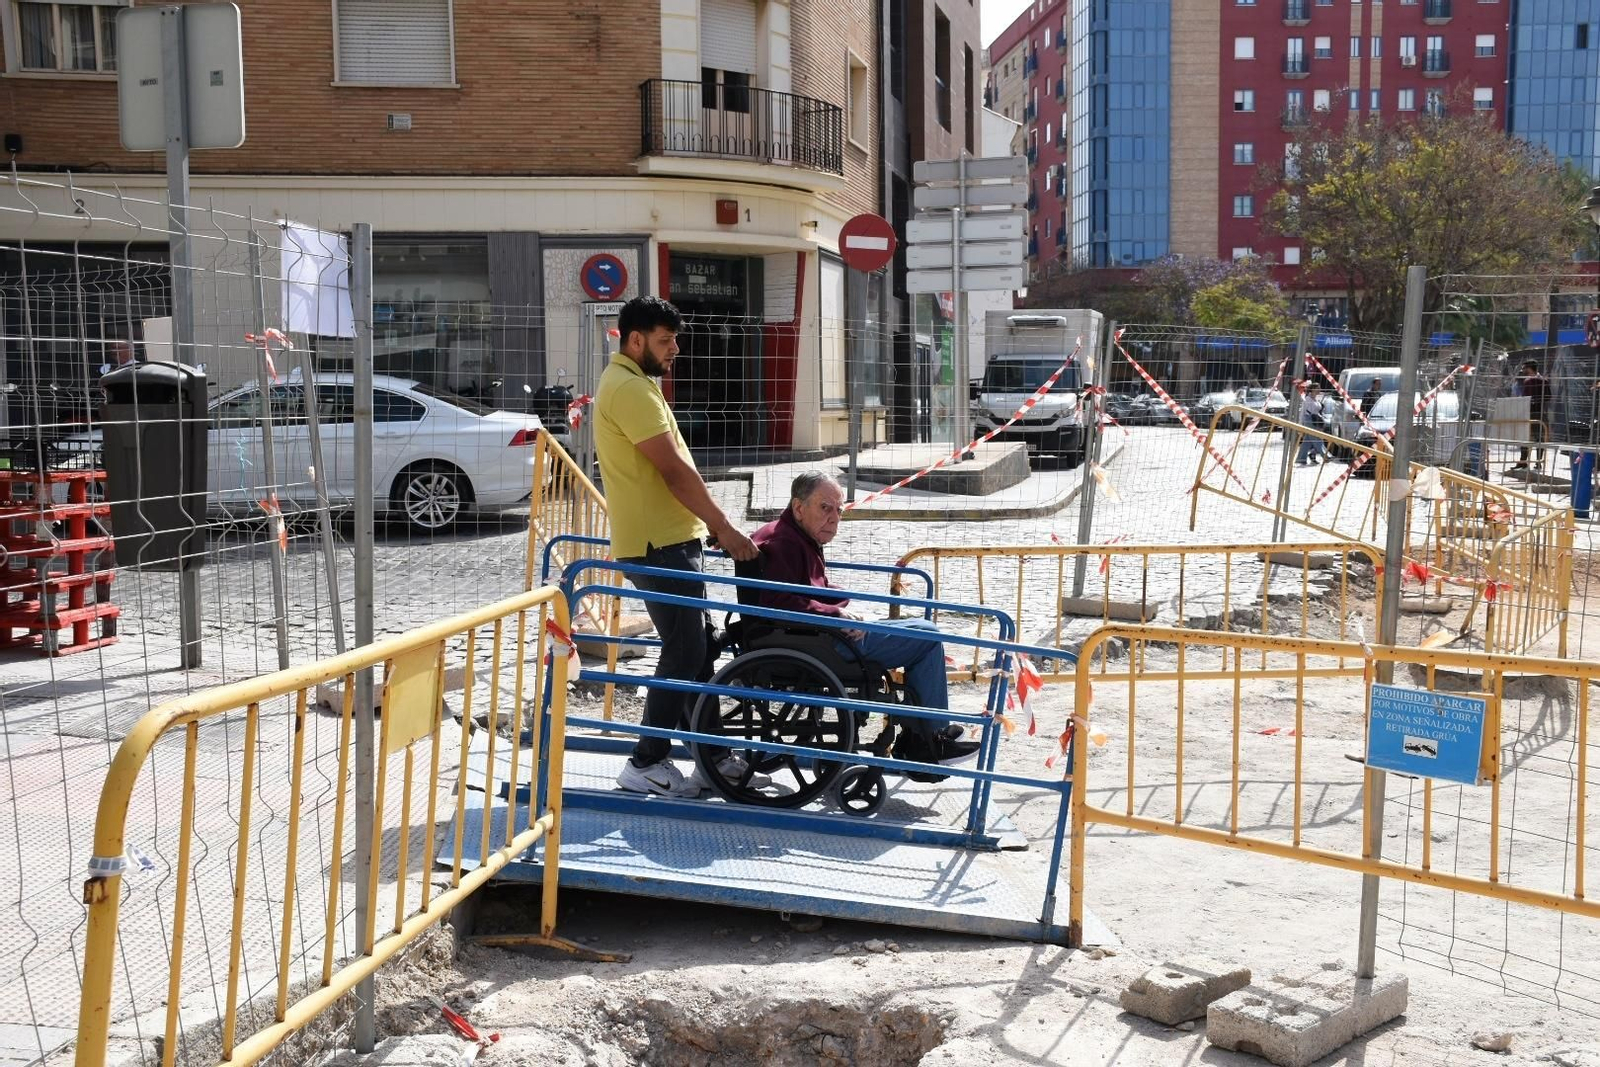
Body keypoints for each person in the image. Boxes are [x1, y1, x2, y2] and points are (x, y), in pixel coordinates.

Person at [595, 295, 759, 798]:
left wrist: (702, 524)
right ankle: (645, 762)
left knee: (698, 647)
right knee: (685, 649)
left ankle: (711, 756)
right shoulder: (629, 388)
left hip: (670, 537)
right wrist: (724, 526)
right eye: (665, 341)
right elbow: (674, 472)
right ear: (635, 339)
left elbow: (671, 470)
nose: (676, 349)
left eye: (675, 340)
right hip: (656, 542)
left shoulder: (636, 382)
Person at [751, 471, 980, 771]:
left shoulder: (792, 534)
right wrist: (836, 613)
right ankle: (926, 738)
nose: (834, 518)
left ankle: (925, 730)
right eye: (825, 508)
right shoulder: (785, 543)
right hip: (816, 642)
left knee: (924, 629)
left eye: (839, 509)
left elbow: (804, 591)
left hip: (815, 633)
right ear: (798, 507)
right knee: (927, 639)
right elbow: (780, 601)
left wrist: (841, 605)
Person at [1511, 359, 1549, 471]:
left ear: (1530, 368)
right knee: (1525, 437)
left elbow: (1548, 396)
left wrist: (1535, 401)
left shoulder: (1541, 381)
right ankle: (1523, 462)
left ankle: (1538, 462)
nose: (1523, 370)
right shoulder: (1527, 381)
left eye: (1524, 368)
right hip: (1528, 413)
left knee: (1538, 438)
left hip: (1538, 413)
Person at [1295, 381, 1329, 466]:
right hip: (1309, 421)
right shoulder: (1307, 399)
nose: (1319, 389)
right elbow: (1303, 412)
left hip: (1316, 421)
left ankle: (1301, 459)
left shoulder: (1316, 399)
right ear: (1313, 389)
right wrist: (1300, 424)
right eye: (1317, 388)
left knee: (1307, 441)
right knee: (1316, 438)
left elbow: (1318, 410)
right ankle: (1326, 455)